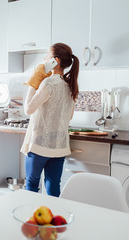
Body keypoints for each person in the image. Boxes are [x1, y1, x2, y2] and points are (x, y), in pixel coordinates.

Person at [21, 43, 79, 197]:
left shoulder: (47, 83)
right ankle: (53, 219)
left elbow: (28, 109)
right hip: (59, 145)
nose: (44, 58)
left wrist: (34, 82)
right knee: (53, 185)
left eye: (47, 55)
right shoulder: (70, 86)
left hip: (40, 145)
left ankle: (33, 220)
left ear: (56, 60)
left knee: (32, 184)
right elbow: (70, 116)